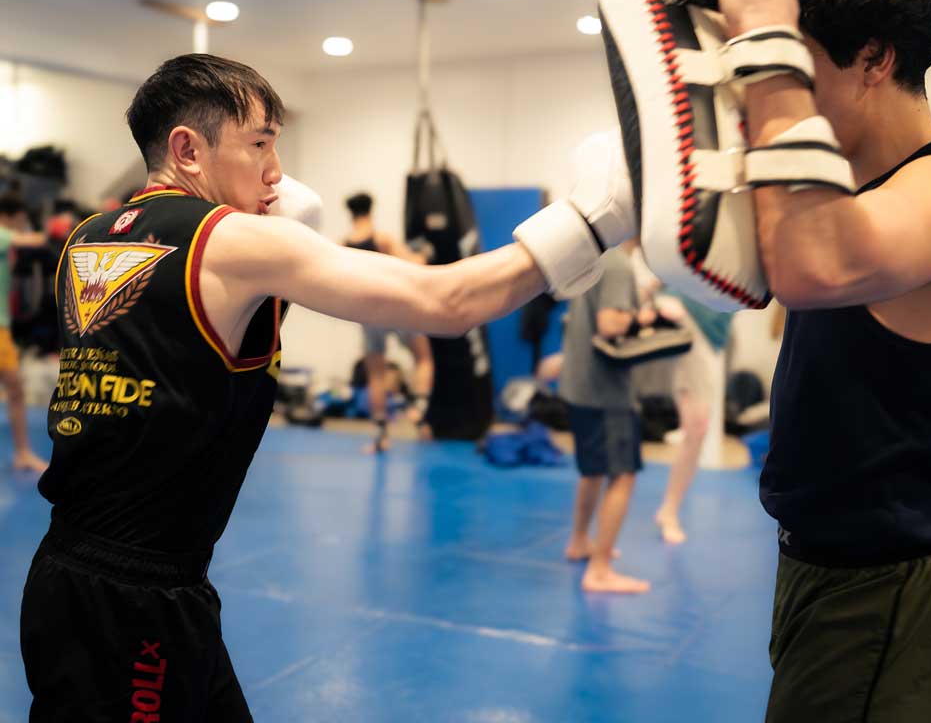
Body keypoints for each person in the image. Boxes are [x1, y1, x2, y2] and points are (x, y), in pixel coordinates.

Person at [19, 53, 634, 720]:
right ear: (187, 150)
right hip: (136, 609)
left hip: (73, 577)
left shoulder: (88, 239)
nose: (276, 171)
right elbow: (449, 301)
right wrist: (593, 223)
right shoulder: (232, 243)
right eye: (259, 144)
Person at [707, 0, 931, 719]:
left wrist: (766, 41)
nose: (778, 90)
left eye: (800, 67)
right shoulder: (848, 200)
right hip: (821, 578)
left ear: (874, 59)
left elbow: (815, 267)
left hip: (888, 596)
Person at [560, 240, 652, 594]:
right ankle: (599, 570)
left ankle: (579, 541)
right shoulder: (618, 265)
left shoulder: (599, 259)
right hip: (605, 391)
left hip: (580, 386)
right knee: (623, 474)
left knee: (594, 469)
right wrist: (643, 317)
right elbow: (611, 323)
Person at [632, 250, 733, 544]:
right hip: (684, 314)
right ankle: (669, 509)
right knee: (697, 426)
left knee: (697, 429)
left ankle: (669, 508)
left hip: (709, 329)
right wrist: (655, 294)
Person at [343, 191, 434, 452]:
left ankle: (381, 437)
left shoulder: (344, 244)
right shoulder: (381, 239)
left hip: (367, 312)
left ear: (351, 213)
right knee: (424, 357)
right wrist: (424, 252)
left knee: (376, 376)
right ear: (371, 211)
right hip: (395, 307)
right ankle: (419, 410)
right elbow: (413, 265)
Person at [0, 195, 49, 472]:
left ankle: (22, 453)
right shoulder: (2, 234)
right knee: (16, 390)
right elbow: (36, 241)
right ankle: (23, 453)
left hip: (3, 327)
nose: (22, 225)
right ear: (11, 216)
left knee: (15, 391)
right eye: (20, 219)